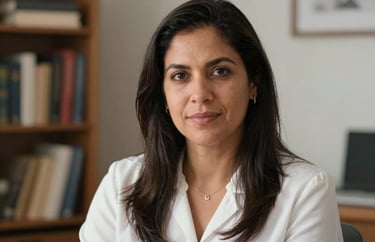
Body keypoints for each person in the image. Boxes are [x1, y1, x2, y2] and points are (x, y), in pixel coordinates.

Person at [79, 0, 343, 241]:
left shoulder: (305, 191)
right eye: (180, 76)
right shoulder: (122, 182)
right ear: (163, 94)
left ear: (253, 83)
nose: (200, 95)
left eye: (220, 71)